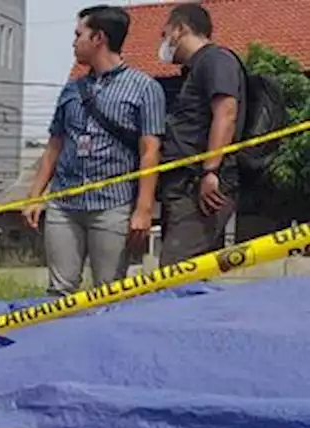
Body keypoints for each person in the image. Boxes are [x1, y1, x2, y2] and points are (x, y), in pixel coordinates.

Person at [24, 5, 166, 296]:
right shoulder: (71, 90)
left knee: (109, 292)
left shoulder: (145, 89)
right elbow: (54, 145)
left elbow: (150, 151)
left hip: (112, 205)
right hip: (65, 203)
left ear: (99, 38)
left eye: (79, 34)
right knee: (59, 293)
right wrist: (34, 196)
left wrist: (143, 208)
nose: (74, 42)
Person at [157, 3, 245, 265]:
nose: (163, 43)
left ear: (181, 29)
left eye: (165, 34)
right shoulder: (194, 70)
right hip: (184, 185)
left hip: (201, 186)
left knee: (174, 271)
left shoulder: (216, 60)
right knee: (193, 274)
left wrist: (211, 171)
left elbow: (226, 113)